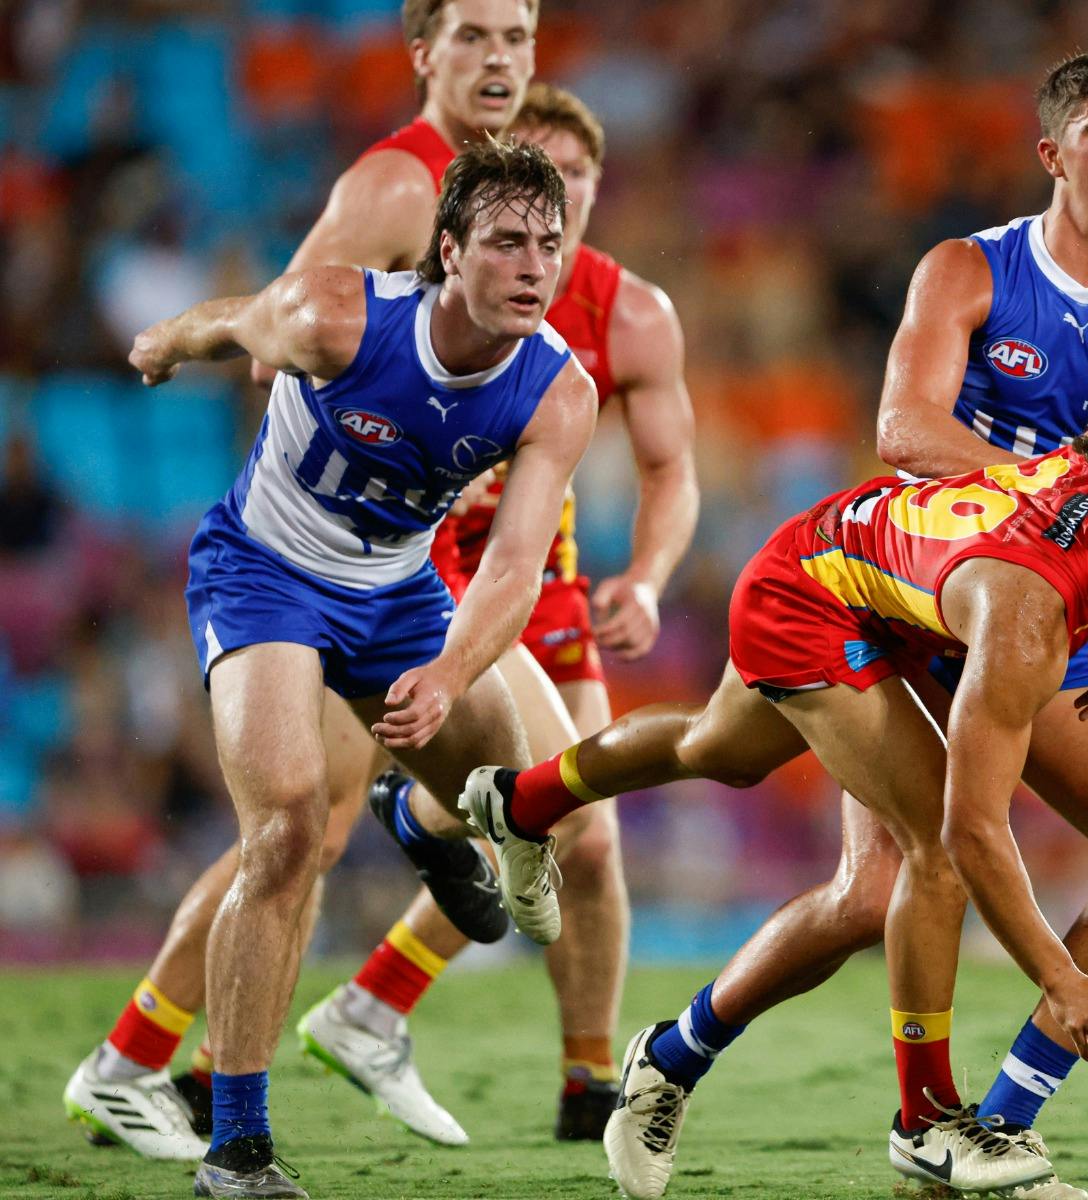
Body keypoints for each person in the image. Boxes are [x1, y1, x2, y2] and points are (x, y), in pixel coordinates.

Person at [569, 47, 1088, 1200]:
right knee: (874, 880)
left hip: (1048, 609)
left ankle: (988, 1127)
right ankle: (677, 1047)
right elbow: (903, 427)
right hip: (911, 599)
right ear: (1053, 153)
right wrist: (1045, 503)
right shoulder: (967, 272)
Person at [483, 395, 1088, 1196]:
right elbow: (975, 832)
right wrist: (1063, 978)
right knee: (932, 852)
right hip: (813, 598)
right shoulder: (1025, 615)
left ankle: (524, 805)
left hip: (882, 576)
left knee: (715, 748)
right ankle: (929, 1124)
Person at [59, 1, 626, 1155]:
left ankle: (443, 844)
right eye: (476, 35)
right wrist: (173, 338)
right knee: (283, 835)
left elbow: (517, 560)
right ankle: (234, 1136)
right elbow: (268, 320)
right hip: (271, 569)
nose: (532, 265)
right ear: (449, 249)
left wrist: (453, 664)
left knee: (540, 805)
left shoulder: (562, 382)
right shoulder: (380, 219)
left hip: (403, 588)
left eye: (548, 242)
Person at [308, 80, 697, 1140]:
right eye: (536, 171)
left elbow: (672, 470)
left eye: (574, 179)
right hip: (419, 569)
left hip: (543, 580)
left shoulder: (626, 311)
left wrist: (650, 577)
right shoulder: (434, 278)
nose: (555, 197)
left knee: (594, 838)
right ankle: (205, 1061)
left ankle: (572, 1078)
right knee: (311, 819)